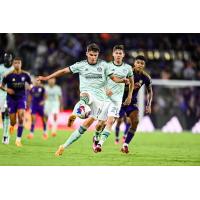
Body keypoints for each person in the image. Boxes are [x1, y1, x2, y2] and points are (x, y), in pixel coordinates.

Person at [37, 43, 129, 156]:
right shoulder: (80, 65)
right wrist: (47, 77)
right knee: (85, 97)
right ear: (86, 53)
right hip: (87, 93)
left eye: (95, 55)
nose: (93, 57)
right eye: (91, 54)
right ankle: (74, 114)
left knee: (85, 127)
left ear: (98, 54)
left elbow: (114, 78)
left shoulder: (104, 65)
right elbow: (63, 71)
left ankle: (63, 146)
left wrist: (122, 80)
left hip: (100, 100)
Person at [92, 45, 134, 153]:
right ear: (113, 54)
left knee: (110, 121)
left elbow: (132, 83)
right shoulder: (107, 66)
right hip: (105, 99)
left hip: (117, 100)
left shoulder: (128, 68)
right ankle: (96, 138)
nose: (118, 55)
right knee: (99, 124)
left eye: (120, 53)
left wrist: (129, 96)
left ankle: (100, 145)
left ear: (123, 55)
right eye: (117, 53)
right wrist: (105, 89)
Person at [120, 55, 153, 153]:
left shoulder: (146, 77)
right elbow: (116, 83)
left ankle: (125, 145)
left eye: (142, 63)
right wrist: (129, 86)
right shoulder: (126, 71)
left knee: (135, 121)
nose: (139, 65)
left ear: (144, 65)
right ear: (134, 63)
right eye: (138, 63)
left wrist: (148, 105)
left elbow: (150, 91)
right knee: (111, 121)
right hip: (119, 101)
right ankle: (98, 137)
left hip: (131, 102)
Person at [0, 57, 32, 147]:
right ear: (13, 64)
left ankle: (18, 140)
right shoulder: (8, 75)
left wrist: (30, 87)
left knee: (21, 117)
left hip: (21, 98)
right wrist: (7, 90)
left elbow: (31, 84)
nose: (17, 64)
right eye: (15, 63)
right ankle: (12, 125)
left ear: (21, 64)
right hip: (11, 99)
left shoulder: (25, 75)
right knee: (13, 120)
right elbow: (1, 86)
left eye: (18, 63)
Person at [0, 53, 14, 144]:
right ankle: (5, 134)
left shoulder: (14, 69)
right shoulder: (0, 68)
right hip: (1, 92)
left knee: (7, 113)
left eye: (9, 59)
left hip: (11, 94)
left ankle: (6, 135)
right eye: (6, 59)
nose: (7, 60)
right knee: (2, 113)